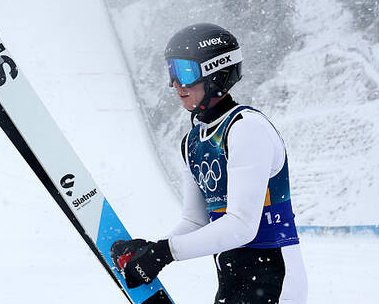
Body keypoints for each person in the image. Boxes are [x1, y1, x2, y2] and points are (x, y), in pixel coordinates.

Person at [111, 23, 307, 304]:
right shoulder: (193, 141)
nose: (176, 84)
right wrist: (151, 251)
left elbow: (242, 226)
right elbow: (196, 220)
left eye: (185, 72)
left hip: (275, 279)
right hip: (235, 280)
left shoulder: (246, 128)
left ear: (217, 73)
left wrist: (164, 253)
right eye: (172, 71)